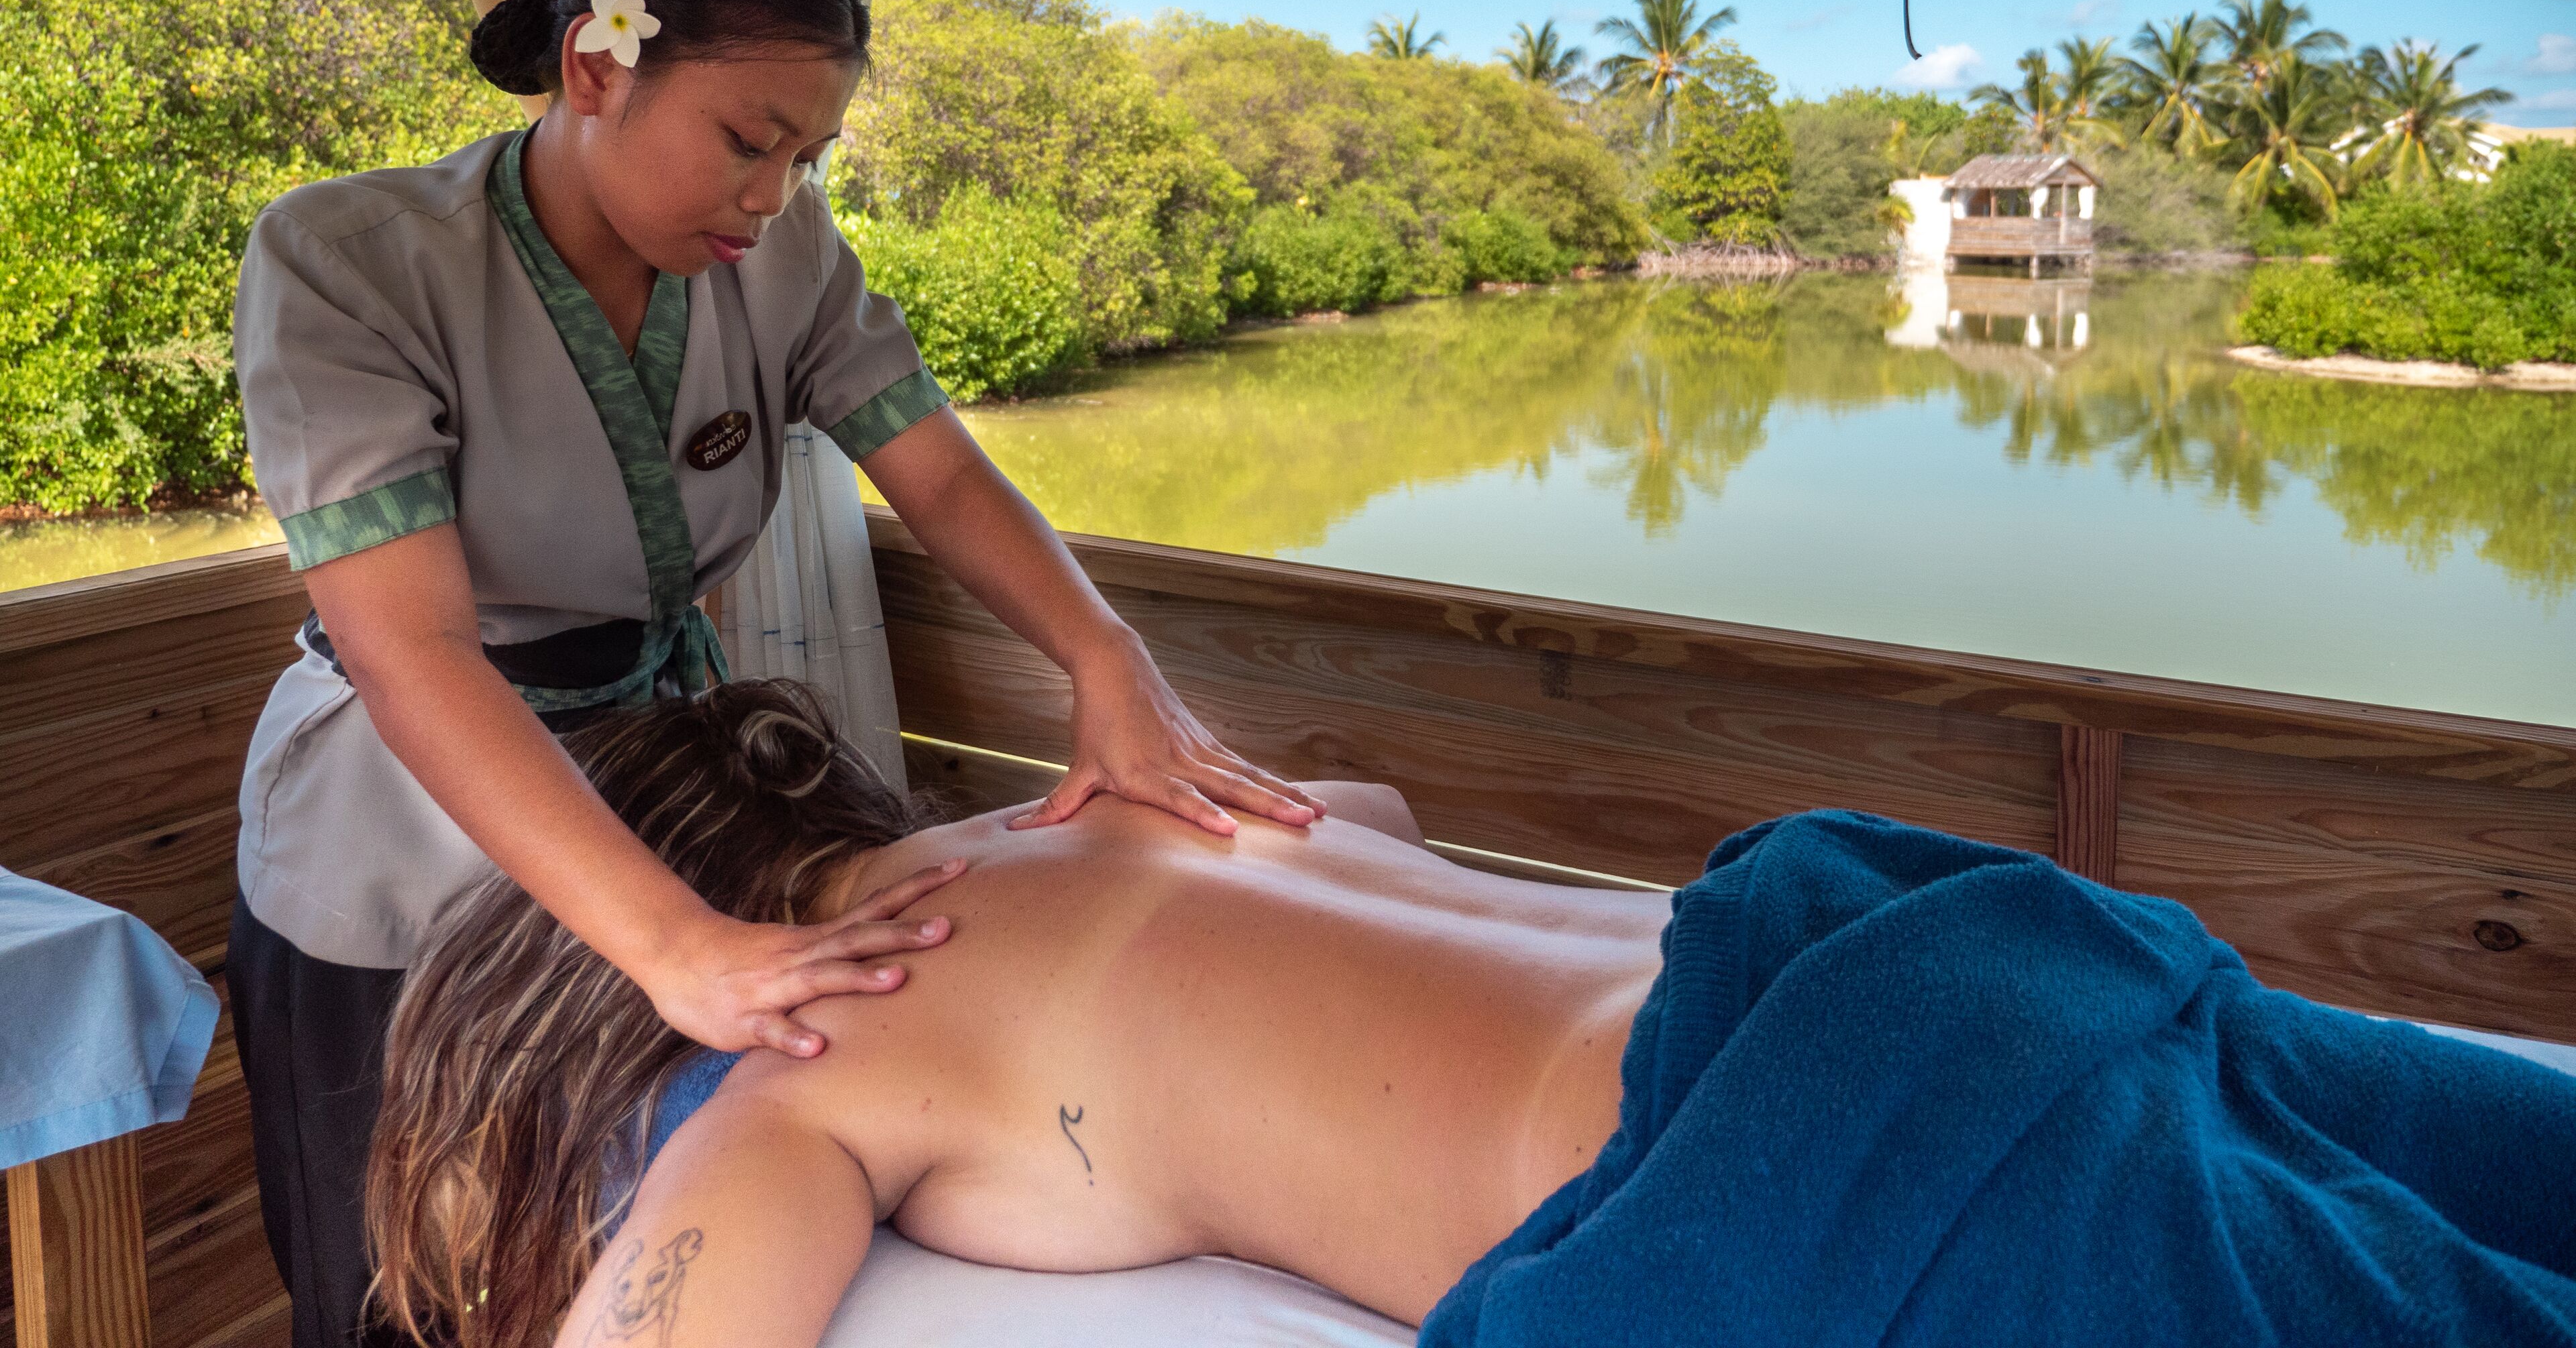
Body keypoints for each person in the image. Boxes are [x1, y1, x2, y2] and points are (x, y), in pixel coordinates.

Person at [227, 0, 1319, 1348]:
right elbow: (406, 643)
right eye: (749, 143)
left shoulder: (783, 258)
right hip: (402, 825)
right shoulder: (350, 260)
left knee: (606, 1239)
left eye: (808, 156)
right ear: (595, 70)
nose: (775, 195)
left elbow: (938, 474)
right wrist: (675, 947)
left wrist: (1103, 660)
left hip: (671, 792)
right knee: (390, 1285)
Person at [369, 682, 2576, 1348]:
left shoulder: (796, 1061)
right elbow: (1385, 807)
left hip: (1825, 1181)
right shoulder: (1164, 814)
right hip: (1923, 939)